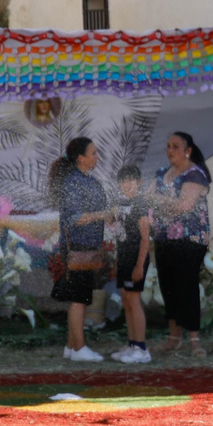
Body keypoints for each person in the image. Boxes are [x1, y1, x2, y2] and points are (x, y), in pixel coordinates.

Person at [50, 137, 113, 362]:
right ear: (81, 158)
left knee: (80, 298)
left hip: (88, 245)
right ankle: (79, 349)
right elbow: (74, 218)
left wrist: (109, 216)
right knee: (79, 300)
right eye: (94, 153)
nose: (97, 157)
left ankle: (70, 347)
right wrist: (102, 215)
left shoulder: (88, 180)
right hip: (78, 246)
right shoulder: (73, 182)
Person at [151, 131, 212, 357]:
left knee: (186, 286)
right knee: (168, 286)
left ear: (188, 151)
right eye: (168, 146)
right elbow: (146, 202)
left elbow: (184, 206)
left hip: (190, 239)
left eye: (176, 146)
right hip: (164, 238)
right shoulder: (160, 174)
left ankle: (195, 341)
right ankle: (173, 339)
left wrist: (157, 202)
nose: (170, 150)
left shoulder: (194, 174)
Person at [110, 165, 154, 364]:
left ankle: (142, 348)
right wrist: (119, 261)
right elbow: (121, 235)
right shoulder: (121, 204)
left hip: (137, 260)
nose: (126, 184)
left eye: (131, 181)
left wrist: (139, 265)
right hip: (125, 258)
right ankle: (132, 344)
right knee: (126, 300)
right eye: (123, 181)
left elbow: (145, 238)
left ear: (139, 183)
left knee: (134, 301)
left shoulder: (140, 204)